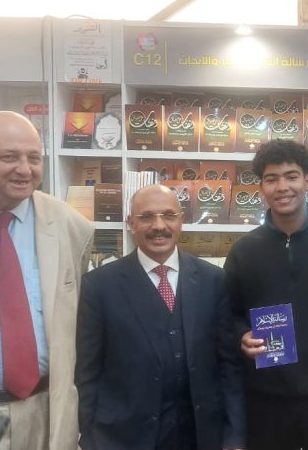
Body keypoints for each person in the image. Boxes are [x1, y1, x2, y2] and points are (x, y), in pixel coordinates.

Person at [75, 185, 244, 450]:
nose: (159, 226)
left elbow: (228, 367)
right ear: (131, 223)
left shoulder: (213, 280)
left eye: (168, 215)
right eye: (146, 217)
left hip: (200, 435)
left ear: (181, 220)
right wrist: (88, 436)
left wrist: (234, 436)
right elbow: (87, 371)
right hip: (123, 437)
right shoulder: (99, 286)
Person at [225, 140, 308, 450]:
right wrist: (241, 334)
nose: (282, 187)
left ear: (307, 181)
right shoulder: (244, 250)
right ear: (261, 187)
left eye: (291, 176)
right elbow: (227, 312)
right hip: (266, 399)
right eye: (271, 179)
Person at [0, 111, 94, 449]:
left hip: (45, 409)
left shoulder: (71, 225)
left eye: (34, 158)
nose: (24, 169)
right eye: (9, 157)